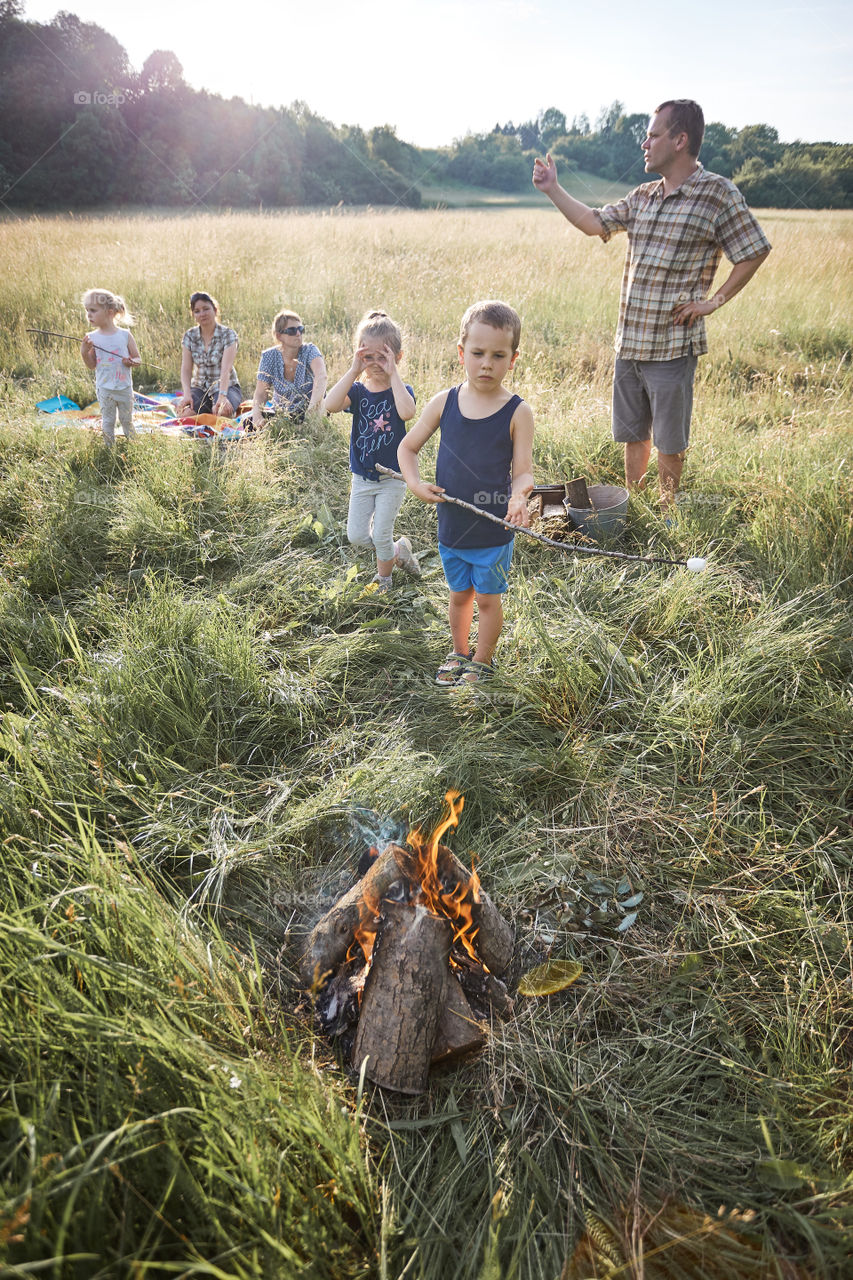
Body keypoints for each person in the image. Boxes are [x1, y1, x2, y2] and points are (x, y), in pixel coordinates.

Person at [533, 99, 771, 506]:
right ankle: (635, 503)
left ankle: (667, 510)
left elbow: (754, 250)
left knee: (669, 438)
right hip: (630, 342)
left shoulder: (716, 193)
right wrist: (553, 188)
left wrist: (714, 302)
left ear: (680, 140)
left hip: (672, 345)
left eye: (653, 134)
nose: (644, 143)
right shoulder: (643, 195)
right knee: (633, 432)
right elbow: (594, 222)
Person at [397, 300, 534, 685]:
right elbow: (407, 448)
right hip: (452, 528)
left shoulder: (517, 412)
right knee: (459, 596)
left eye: (497, 355)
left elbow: (523, 473)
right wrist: (414, 483)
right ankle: (458, 652)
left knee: (488, 599)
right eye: (477, 353)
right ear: (462, 354)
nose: (486, 363)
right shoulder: (445, 403)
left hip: (493, 530)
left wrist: (519, 497)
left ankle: (483, 659)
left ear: (513, 358)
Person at [324, 310, 421, 592]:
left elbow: (408, 412)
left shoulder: (401, 390)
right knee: (356, 535)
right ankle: (399, 550)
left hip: (392, 477)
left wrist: (394, 375)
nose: (376, 364)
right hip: (362, 477)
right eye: (369, 357)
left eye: (383, 356)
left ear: (397, 357)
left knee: (380, 533)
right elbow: (330, 405)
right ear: (359, 355)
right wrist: (354, 369)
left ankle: (384, 580)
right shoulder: (358, 391)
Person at [79, 287, 141, 446]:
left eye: (93, 310)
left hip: (124, 387)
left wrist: (131, 361)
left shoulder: (125, 335)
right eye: (87, 310)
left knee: (127, 420)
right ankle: (109, 450)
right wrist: (84, 353)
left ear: (110, 312)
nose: (89, 314)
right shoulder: (91, 338)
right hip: (105, 388)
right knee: (108, 421)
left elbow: (138, 358)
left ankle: (134, 447)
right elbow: (92, 365)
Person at [252, 309, 327, 427]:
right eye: (292, 331)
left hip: (311, 408)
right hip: (282, 412)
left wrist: (311, 412)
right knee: (251, 424)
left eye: (301, 329)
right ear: (279, 336)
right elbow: (261, 392)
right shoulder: (269, 356)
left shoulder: (310, 350)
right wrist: (257, 416)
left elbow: (321, 376)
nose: (298, 334)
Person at [175, 291, 242, 418]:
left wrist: (222, 396)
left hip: (226, 386)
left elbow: (226, 368)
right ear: (193, 315)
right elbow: (186, 369)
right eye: (197, 311)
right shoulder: (190, 336)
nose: (202, 314)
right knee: (185, 414)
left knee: (222, 411)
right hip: (200, 387)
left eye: (206, 309)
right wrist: (187, 395)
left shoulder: (228, 334)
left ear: (215, 310)